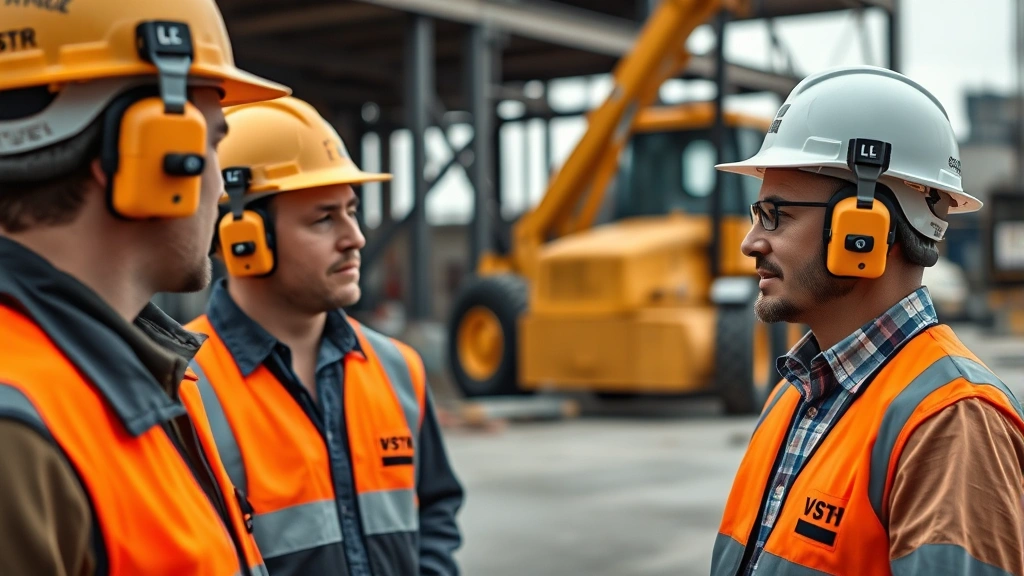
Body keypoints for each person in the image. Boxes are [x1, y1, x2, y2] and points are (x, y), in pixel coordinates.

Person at [0, 1, 291, 574]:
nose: (220, 187)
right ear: (154, 152)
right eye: (212, 144)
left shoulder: (147, 371)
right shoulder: (19, 437)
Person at [709, 65, 1024, 576]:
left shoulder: (951, 424)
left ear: (865, 227)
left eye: (775, 215)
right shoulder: (794, 393)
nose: (750, 242)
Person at [185, 96, 464, 576]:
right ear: (243, 237)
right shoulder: (183, 384)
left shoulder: (399, 368)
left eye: (351, 211)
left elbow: (435, 508)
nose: (355, 237)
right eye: (324, 218)